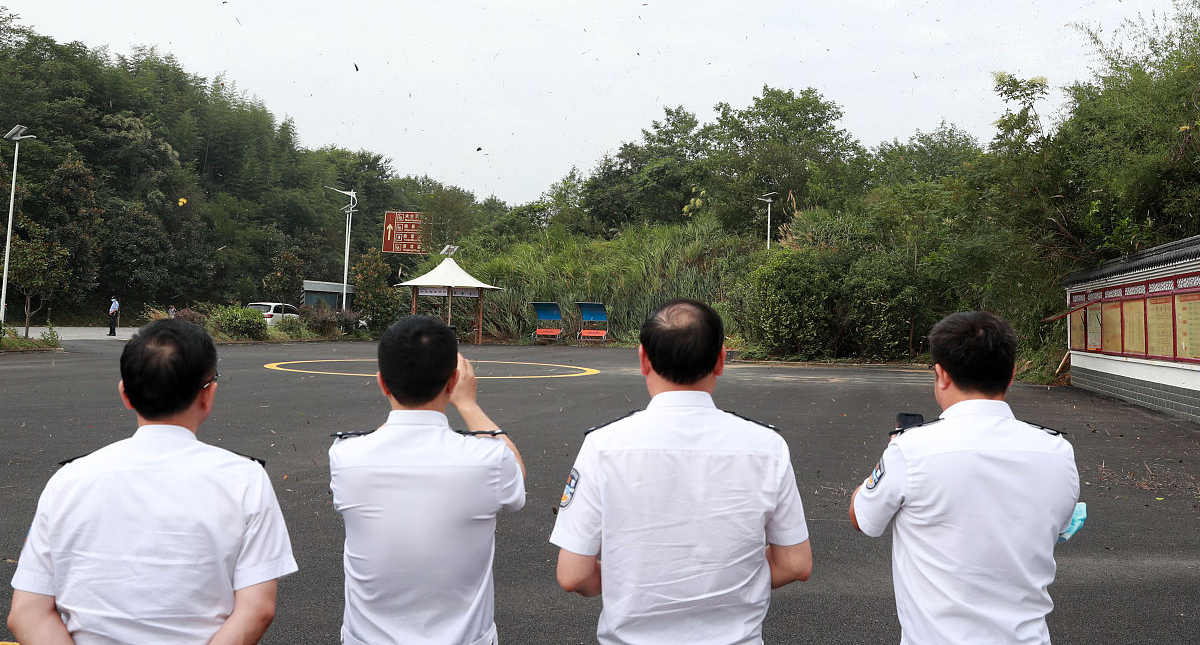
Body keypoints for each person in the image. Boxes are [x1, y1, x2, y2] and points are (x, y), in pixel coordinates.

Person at [8, 318, 298, 644]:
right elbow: (257, 609)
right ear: (208, 395)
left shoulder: (68, 481)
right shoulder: (246, 480)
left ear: (125, 395)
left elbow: (27, 613)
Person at [550, 298, 812, 645]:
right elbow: (795, 563)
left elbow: (573, 575)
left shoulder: (604, 446)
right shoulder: (766, 447)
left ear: (643, 358)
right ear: (721, 360)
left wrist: (635, 578)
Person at [849, 310, 1080, 645]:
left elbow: (862, 517)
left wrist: (887, 463)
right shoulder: (1057, 451)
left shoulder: (911, 449)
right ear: (1012, 374)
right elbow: (1057, 529)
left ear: (942, 375)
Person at [329, 315, 526, 645]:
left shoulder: (345, 457)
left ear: (382, 383)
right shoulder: (489, 459)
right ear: (453, 381)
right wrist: (467, 404)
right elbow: (516, 476)